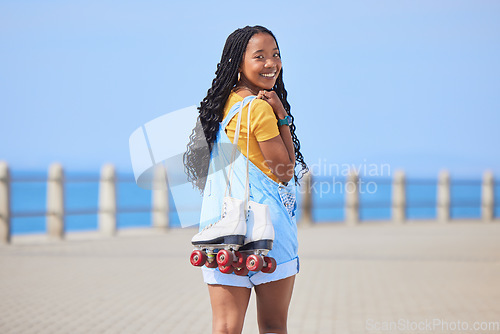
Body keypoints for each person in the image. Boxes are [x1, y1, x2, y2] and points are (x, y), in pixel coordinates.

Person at [184, 25, 308, 334]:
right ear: (239, 63)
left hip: (222, 232)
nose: (271, 64)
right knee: (273, 325)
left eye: (276, 55)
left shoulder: (220, 106)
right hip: (268, 233)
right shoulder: (260, 109)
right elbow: (284, 170)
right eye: (260, 56)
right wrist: (282, 117)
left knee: (225, 327)